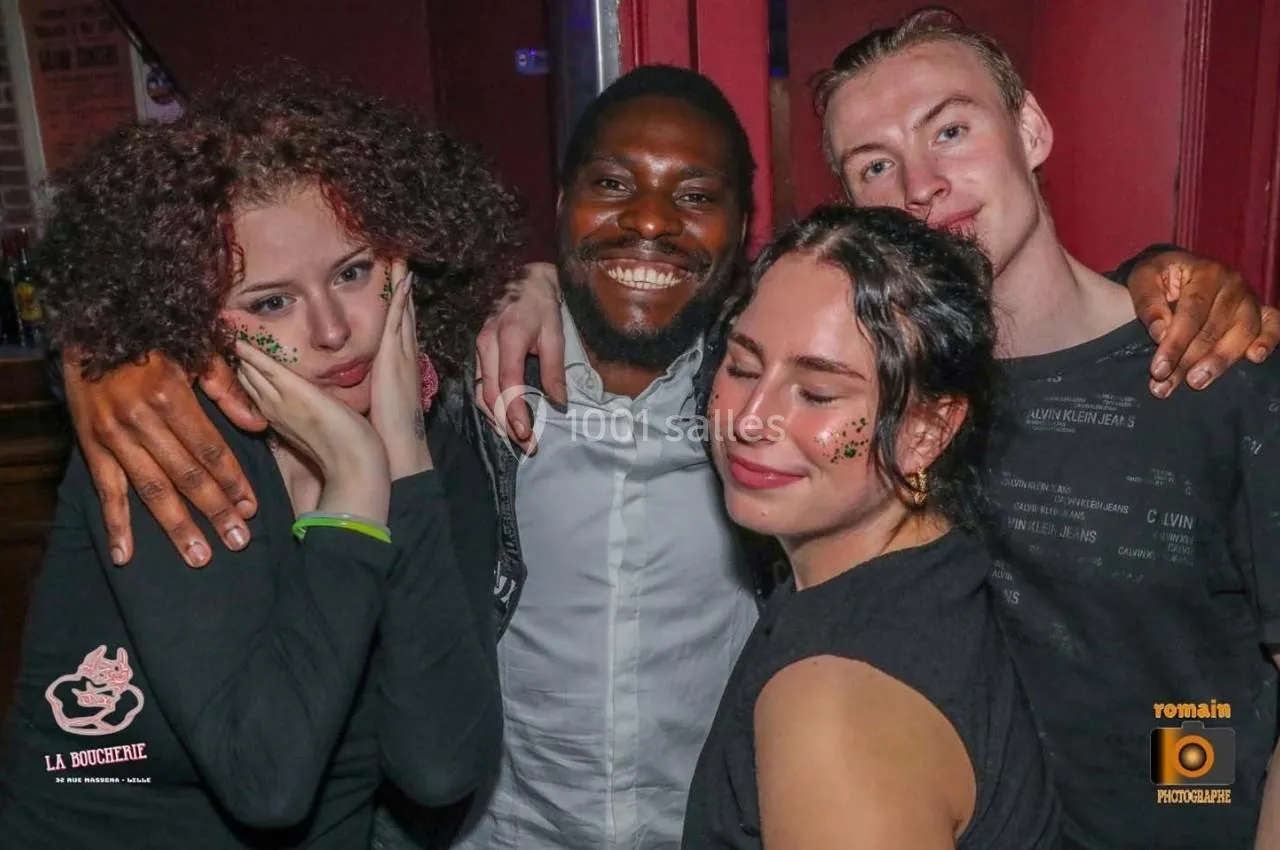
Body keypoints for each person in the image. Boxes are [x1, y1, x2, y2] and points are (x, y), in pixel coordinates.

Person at [42, 64, 1276, 848]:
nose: (646, 221)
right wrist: (104, 352)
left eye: (694, 196)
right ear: (557, 207)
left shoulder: (798, 427)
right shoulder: (461, 392)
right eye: (611, 185)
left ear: (744, 232)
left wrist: (1168, 279)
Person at [0, 66, 514, 848]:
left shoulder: (439, 447)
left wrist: (404, 459)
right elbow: (266, 782)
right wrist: (354, 487)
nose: (333, 330)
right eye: (271, 301)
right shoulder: (167, 446)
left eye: (353, 272)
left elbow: (440, 767)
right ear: (192, 314)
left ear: (406, 263)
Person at [807, 10, 1280, 848]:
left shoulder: (1213, 369)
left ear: (1029, 130)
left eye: (950, 130)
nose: (920, 184)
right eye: (875, 165)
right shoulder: (885, 409)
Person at [682, 203, 1059, 849]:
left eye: (817, 394)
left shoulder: (834, 712)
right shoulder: (935, 574)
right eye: (742, 367)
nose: (750, 419)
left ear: (927, 431)